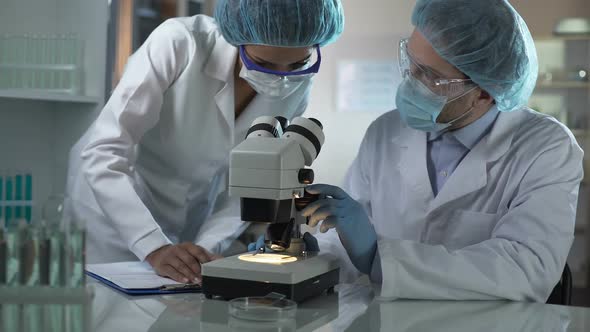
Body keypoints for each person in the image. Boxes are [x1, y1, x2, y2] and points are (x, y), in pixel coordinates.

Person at [301, 0, 583, 302]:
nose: (410, 81)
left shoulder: (545, 147)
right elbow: (345, 239)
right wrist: (312, 255)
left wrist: (380, 259)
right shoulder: (385, 132)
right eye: (410, 61)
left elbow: (527, 268)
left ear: (484, 93)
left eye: (430, 76)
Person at [65, 0, 344, 283]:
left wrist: (207, 248)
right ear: (237, 37)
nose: (281, 78)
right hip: (115, 213)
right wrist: (153, 245)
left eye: (297, 63)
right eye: (263, 63)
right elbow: (103, 150)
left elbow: (255, 180)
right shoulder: (179, 42)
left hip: (190, 214)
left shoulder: (298, 81)